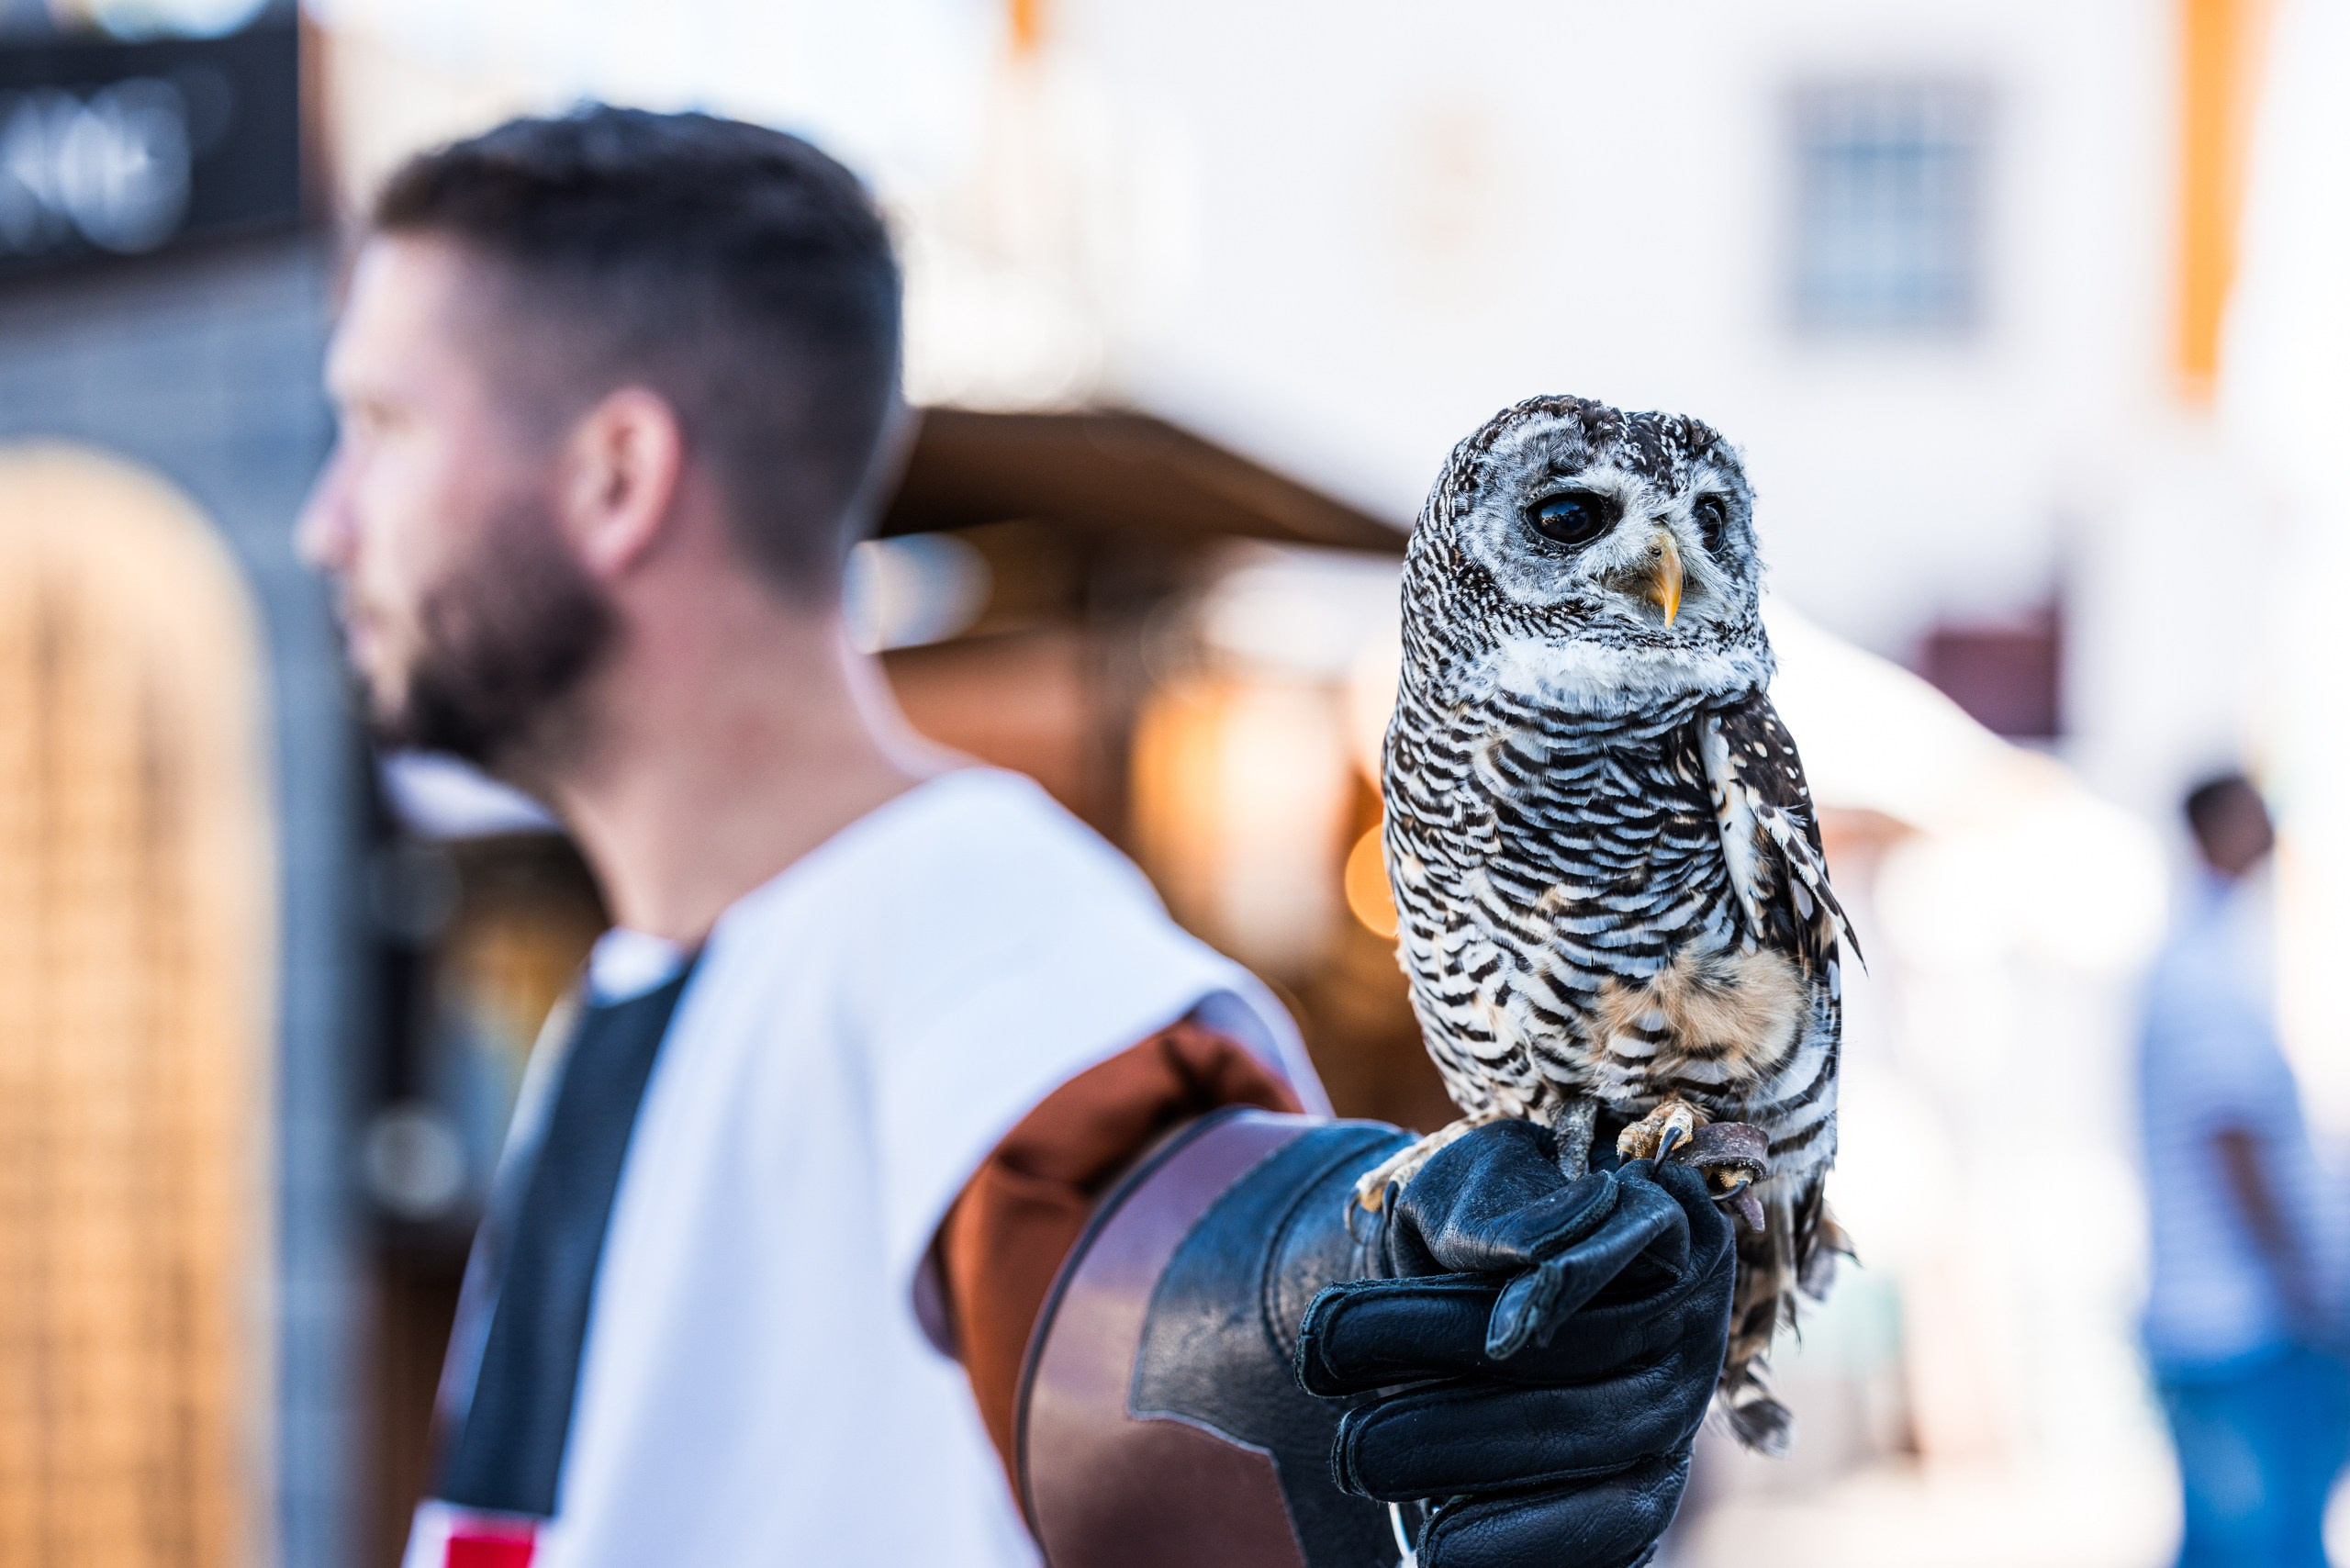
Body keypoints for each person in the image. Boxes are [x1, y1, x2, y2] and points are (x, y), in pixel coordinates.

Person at [298, 106, 1734, 1568]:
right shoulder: (648, 970)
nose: (327, 524)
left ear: (616, 475)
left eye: (379, 429)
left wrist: (1333, 1297)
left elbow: (1165, 1279)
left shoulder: (972, 935)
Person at [2138, 772, 2348, 1568]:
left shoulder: (2211, 951)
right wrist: (2304, 1283)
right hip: (2240, 1319)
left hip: (2226, 1315)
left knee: (2233, 1538)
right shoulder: (2209, 966)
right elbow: (2233, 1140)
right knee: (2266, 1541)